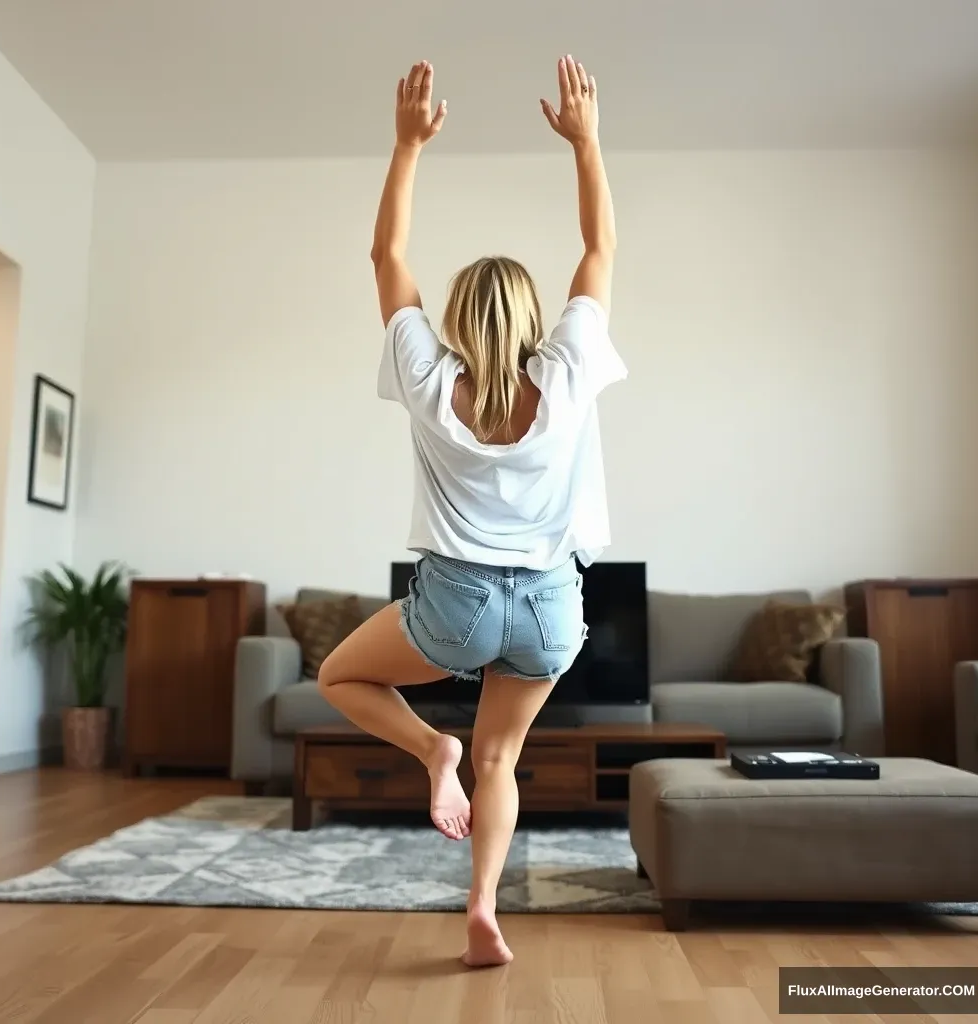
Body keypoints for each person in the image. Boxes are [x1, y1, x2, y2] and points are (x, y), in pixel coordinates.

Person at [317, 55, 626, 968]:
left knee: (340, 677)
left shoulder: (428, 377)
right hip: (550, 607)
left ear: (454, 318)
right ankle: (484, 910)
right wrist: (587, 142)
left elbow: (387, 258)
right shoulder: (566, 373)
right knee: (502, 762)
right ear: (535, 319)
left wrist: (407, 146)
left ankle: (428, 753)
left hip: (454, 603)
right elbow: (600, 251)